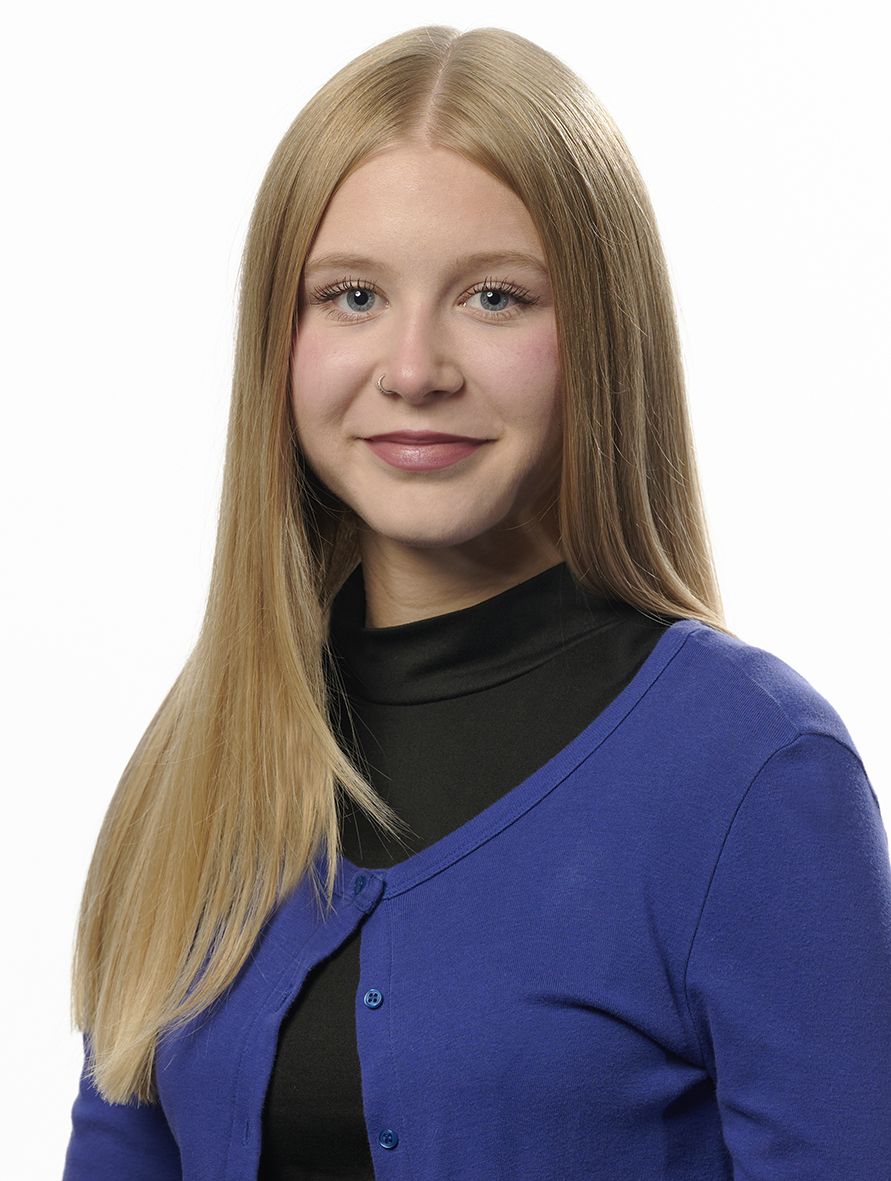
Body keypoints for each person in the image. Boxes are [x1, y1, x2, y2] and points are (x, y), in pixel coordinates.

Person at [61, 24, 891, 1181]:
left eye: (495, 297)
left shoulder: (755, 770)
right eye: (352, 295)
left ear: (600, 334)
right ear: (279, 341)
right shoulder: (201, 758)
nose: (414, 369)